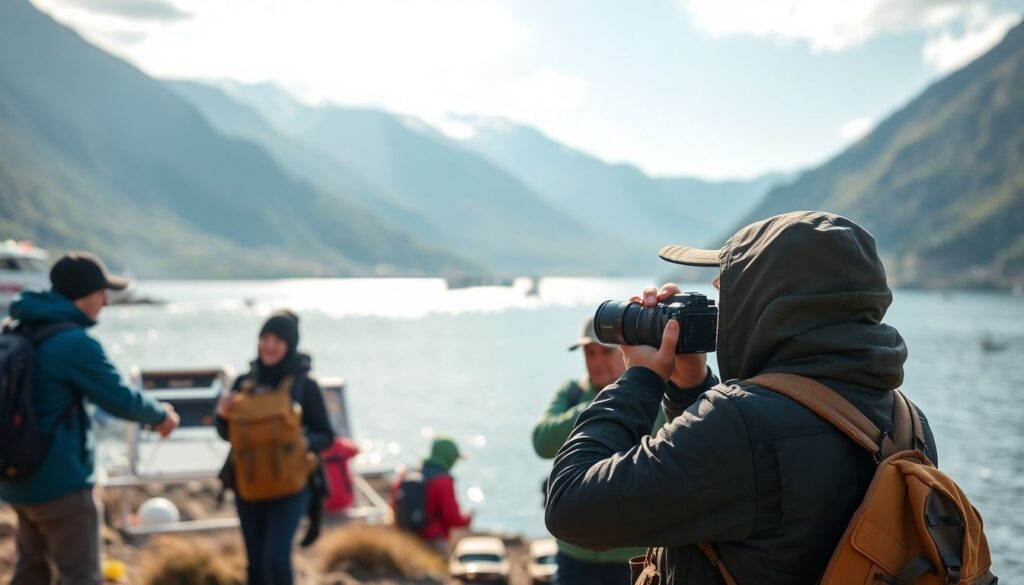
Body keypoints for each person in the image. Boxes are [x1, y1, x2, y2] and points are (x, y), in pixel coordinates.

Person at [545, 211, 939, 584]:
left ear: (765, 300)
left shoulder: (741, 424)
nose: (721, 304)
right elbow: (763, 510)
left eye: (726, 287)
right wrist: (691, 385)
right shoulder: (908, 423)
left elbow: (570, 505)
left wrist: (640, 379)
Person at [0, 251, 180, 585]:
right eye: (102, 294)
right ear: (84, 296)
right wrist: (161, 416)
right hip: (61, 486)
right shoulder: (73, 343)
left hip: (17, 480)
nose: (106, 303)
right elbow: (120, 398)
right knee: (80, 576)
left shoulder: (19, 328)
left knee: (31, 571)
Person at [532, 317, 666, 585]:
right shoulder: (572, 392)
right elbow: (542, 441)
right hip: (573, 552)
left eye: (605, 351)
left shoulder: (657, 397)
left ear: (627, 351)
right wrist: (609, 401)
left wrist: (629, 390)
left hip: (634, 554)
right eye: (589, 352)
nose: (596, 361)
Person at [215, 310, 335, 585]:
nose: (269, 346)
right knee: (255, 563)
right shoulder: (244, 382)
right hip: (249, 481)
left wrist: (305, 442)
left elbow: (326, 435)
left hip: (291, 485)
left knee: (276, 561)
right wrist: (222, 415)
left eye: (277, 340)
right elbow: (227, 435)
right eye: (265, 338)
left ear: (290, 345)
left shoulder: (306, 384)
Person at [390, 436, 472, 553]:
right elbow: (452, 516)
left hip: (405, 536)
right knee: (441, 568)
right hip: (432, 540)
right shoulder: (443, 481)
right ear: (449, 457)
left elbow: (394, 502)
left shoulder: (408, 473)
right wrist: (467, 519)